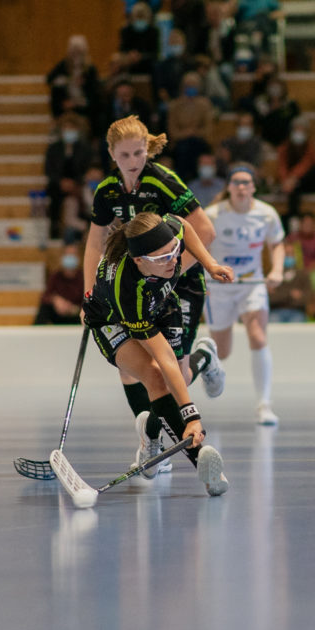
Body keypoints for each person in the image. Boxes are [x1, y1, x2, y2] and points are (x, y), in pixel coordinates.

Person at [84, 116, 226, 472]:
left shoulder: (162, 181)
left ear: (148, 149)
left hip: (182, 282)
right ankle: (154, 443)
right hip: (138, 286)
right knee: (135, 370)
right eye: (125, 155)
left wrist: (170, 273)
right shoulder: (106, 192)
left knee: (175, 369)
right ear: (112, 155)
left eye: (139, 152)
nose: (134, 162)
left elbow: (203, 231)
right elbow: (94, 243)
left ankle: (203, 358)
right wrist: (89, 292)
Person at [82, 211, 233, 494]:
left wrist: (210, 264)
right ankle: (204, 467)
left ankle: (149, 435)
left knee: (181, 379)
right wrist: (192, 417)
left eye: (174, 251)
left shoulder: (164, 239)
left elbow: (184, 225)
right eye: (163, 257)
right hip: (111, 319)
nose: (174, 260)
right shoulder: (127, 293)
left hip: (160, 302)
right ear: (139, 260)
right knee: (155, 377)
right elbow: (162, 358)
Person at [204, 166, 286, 424]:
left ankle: (264, 405)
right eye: (236, 182)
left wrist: (277, 270)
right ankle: (210, 365)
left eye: (246, 182)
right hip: (218, 288)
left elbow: (277, 244)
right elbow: (198, 246)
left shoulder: (266, 214)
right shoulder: (213, 215)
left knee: (258, 337)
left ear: (253, 187)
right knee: (223, 350)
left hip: (252, 283)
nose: (241, 187)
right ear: (228, 186)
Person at [44, 113, 94, 241]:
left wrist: (75, 182)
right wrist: (61, 182)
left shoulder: (84, 148)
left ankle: (87, 225)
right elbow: (49, 170)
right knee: (53, 194)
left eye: (72, 129)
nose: (69, 132)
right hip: (58, 185)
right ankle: (54, 227)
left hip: (78, 184)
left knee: (86, 195)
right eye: (66, 128)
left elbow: (86, 169)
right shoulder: (54, 148)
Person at [166, 71, 216, 181]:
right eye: (188, 85)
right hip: (180, 144)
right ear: (182, 87)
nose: (191, 88)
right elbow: (172, 131)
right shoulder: (175, 105)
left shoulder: (205, 105)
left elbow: (208, 129)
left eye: (194, 85)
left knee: (194, 146)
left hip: (199, 142)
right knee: (184, 149)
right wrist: (186, 133)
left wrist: (193, 133)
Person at [45, 35, 103, 123]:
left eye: (79, 51)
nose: (76, 54)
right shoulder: (64, 65)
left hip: (84, 103)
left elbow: (95, 89)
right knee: (56, 87)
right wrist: (67, 81)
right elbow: (49, 79)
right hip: (67, 102)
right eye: (74, 51)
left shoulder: (89, 68)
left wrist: (84, 83)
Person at [276, 117, 315, 219]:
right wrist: (286, 180)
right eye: (296, 130)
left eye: (301, 130)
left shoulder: (310, 148)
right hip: (291, 186)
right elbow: (282, 166)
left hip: (306, 183)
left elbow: (306, 164)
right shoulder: (285, 147)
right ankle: (293, 220)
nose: (298, 133)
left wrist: (293, 179)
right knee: (294, 191)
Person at [35, 245, 84, 326]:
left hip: (76, 315)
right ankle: (35, 333)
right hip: (58, 314)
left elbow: (88, 298)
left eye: (73, 255)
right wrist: (55, 300)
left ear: (78, 257)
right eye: (67, 255)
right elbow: (45, 296)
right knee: (44, 308)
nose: (70, 257)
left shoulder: (83, 277)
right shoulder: (55, 276)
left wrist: (73, 308)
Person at [254, 76, 301, 147]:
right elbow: (259, 122)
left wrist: (280, 107)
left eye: (277, 86)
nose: (275, 90)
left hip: (287, 141)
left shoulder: (291, 104)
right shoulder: (261, 104)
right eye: (272, 86)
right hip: (267, 141)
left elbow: (296, 120)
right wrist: (270, 110)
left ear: (283, 88)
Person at [118, 2, 161, 76]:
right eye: (138, 16)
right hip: (129, 63)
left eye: (142, 16)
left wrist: (141, 57)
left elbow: (155, 53)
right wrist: (130, 55)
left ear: (148, 17)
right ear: (132, 17)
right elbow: (122, 49)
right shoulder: (126, 31)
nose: (140, 19)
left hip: (148, 65)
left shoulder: (153, 32)